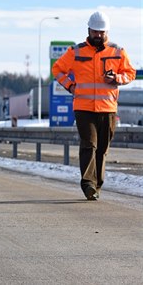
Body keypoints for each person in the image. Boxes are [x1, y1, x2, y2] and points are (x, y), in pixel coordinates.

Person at [51, 11, 136, 201]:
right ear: (88, 30)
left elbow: (130, 73)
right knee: (89, 144)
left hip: (108, 109)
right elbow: (57, 69)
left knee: (102, 148)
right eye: (94, 31)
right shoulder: (76, 51)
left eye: (101, 32)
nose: (97, 35)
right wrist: (70, 86)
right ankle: (88, 183)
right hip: (83, 108)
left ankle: (96, 185)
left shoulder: (118, 51)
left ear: (107, 32)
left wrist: (117, 78)